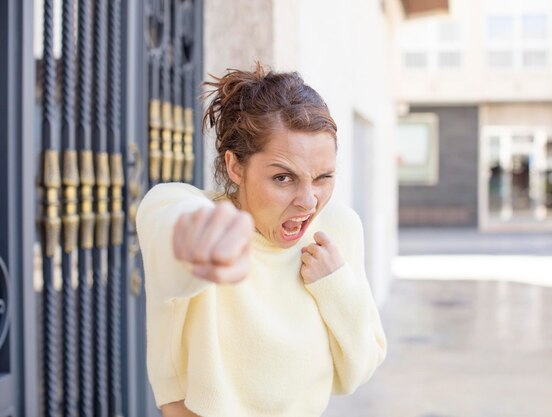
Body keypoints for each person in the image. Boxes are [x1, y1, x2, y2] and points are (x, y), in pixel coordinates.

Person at [136, 63, 387, 417]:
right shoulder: (186, 210)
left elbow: (356, 372)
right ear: (236, 166)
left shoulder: (337, 229)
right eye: (283, 178)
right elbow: (172, 226)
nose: (309, 201)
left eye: (323, 177)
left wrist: (335, 286)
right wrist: (209, 242)